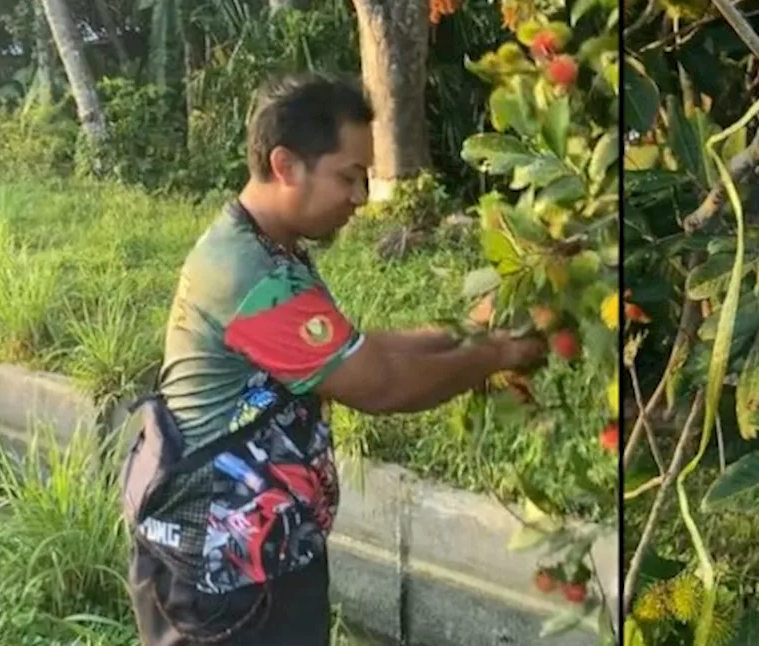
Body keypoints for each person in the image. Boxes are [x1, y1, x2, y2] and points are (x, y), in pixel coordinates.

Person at [118, 73, 546, 646]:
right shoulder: (252, 275)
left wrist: (465, 333)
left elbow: (358, 349)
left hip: (257, 561)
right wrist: (497, 352)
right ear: (285, 165)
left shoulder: (268, 249)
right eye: (349, 176)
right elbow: (381, 384)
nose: (362, 197)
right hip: (224, 581)